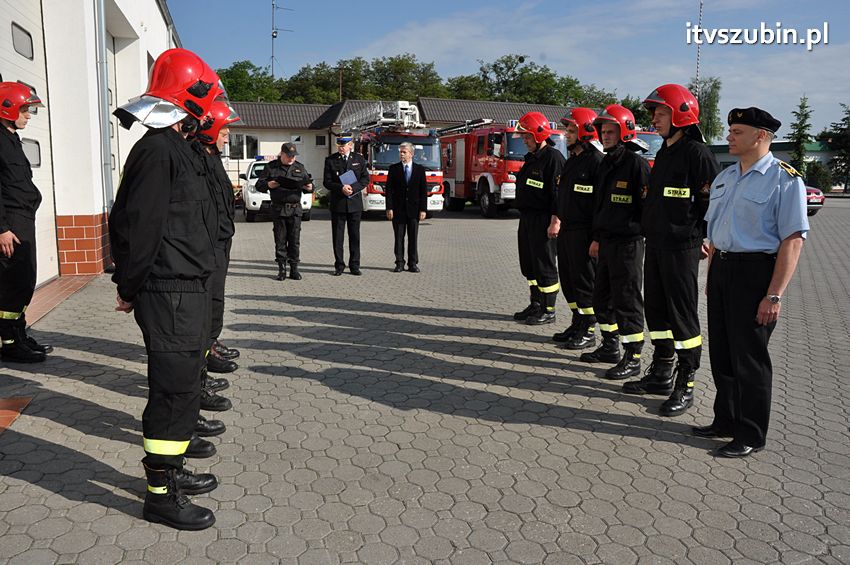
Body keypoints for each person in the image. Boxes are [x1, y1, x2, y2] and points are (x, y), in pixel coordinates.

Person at [109, 48, 222, 530]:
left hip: (188, 287)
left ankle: (171, 471)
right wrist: (129, 286)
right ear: (189, 97)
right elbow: (138, 225)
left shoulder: (179, 146)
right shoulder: (157, 150)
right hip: (168, 289)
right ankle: (160, 494)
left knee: (183, 388)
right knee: (173, 392)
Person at [697, 107, 808, 457]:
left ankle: (751, 433)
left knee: (749, 358)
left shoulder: (785, 180)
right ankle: (725, 420)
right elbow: (716, 234)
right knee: (723, 354)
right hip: (723, 270)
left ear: (761, 136)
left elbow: (792, 240)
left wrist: (773, 295)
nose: (729, 136)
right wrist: (712, 276)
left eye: (737, 131)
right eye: (730, 130)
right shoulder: (726, 177)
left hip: (756, 274)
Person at [622, 84, 720, 417]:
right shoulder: (664, 151)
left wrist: (706, 238)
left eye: (660, 113)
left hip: (682, 247)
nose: (654, 119)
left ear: (680, 114)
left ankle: (686, 382)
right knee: (658, 313)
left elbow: (712, 203)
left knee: (681, 315)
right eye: (653, 113)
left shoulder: (697, 154)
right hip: (657, 245)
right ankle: (662, 372)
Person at [581, 105, 649, 380]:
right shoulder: (606, 163)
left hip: (629, 244)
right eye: (603, 131)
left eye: (610, 132)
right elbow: (600, 206)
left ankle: (632, 356)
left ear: (625, 133)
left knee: (627, 300)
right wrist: (596, 238)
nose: (605, 136)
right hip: (607, 242)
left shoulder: (636, 165)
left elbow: (647, 208)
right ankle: (610, 346)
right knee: (602, 298)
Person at [194, 99, 243, 437]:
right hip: (206, 250)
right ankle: (200, 373)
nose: (227, 137)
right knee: (203, 313)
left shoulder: (211, 158)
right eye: (224, 131)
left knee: (214, 305)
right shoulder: (198, 157)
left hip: (218, 245)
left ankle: (208, 353)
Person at [0, 81, 51, 363]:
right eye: (24, 110)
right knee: (11, 283)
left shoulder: (11, 139)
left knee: (23, 281)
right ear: (7, 109)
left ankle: (18, 335)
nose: (28, 116)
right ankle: (9, 344)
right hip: (10, 225)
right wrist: (2, 229)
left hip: (22, 220)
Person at [553, 108, 604, 349]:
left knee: (585, 283)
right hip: (568, 230)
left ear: (585, 131)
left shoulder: (595, 161)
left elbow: (599, 204)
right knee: (569, 280)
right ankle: (577, 322)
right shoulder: (573, 160)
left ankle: (588, 329)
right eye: (567, 130)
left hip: (585, 233)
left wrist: (596, 237)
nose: (567, 134)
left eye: (572, 130)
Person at [512, 112, 565, 325]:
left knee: (544, 265)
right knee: (530, 265)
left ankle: (549, 309)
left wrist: (556, 221)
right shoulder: (532, 159)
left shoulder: (553, 159)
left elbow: (558, 194)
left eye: (526, 136)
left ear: (538, 135)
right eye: (523, 137)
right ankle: (535, 304)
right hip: (527, 219)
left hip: (544, 220)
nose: (524, 141)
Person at [255, 142, 313, 281]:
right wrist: (269, 184)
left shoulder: (299, 167)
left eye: (293, 156)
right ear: (282, 154)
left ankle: (294, 269)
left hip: (295, 209)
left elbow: (308, 185)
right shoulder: (271, 167)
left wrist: (310, 187)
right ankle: (282, 270)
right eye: (288, 156)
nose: (291, 158)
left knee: (294, 240)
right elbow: (259, 184)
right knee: (280, 240)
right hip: (279, 209)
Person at [323, 132, 368, 275]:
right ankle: (339, 266)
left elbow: (365, 179)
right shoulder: (330, 160)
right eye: (339, 145)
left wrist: (353, 188)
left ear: (350, 145)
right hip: (339, 203)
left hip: (354, 203)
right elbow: (327, 182)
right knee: (338, 237)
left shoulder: (359, 159)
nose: (341, 148)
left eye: (344, 145)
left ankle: (354, 265)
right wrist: (341, 188)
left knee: (354, 236)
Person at [385, 142, 428, 272]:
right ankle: (399, 263)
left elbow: (423, 191)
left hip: (414, 210)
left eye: (404, 152)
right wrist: (389, 208)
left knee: (413, 238)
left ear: (411, 154)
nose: (401, 154)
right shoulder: (394, 169)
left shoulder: (420, 169)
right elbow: (389, 190)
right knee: (399, 237)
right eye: (400, 152)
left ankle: (412, 263)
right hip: (398, 210)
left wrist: (423, 209)